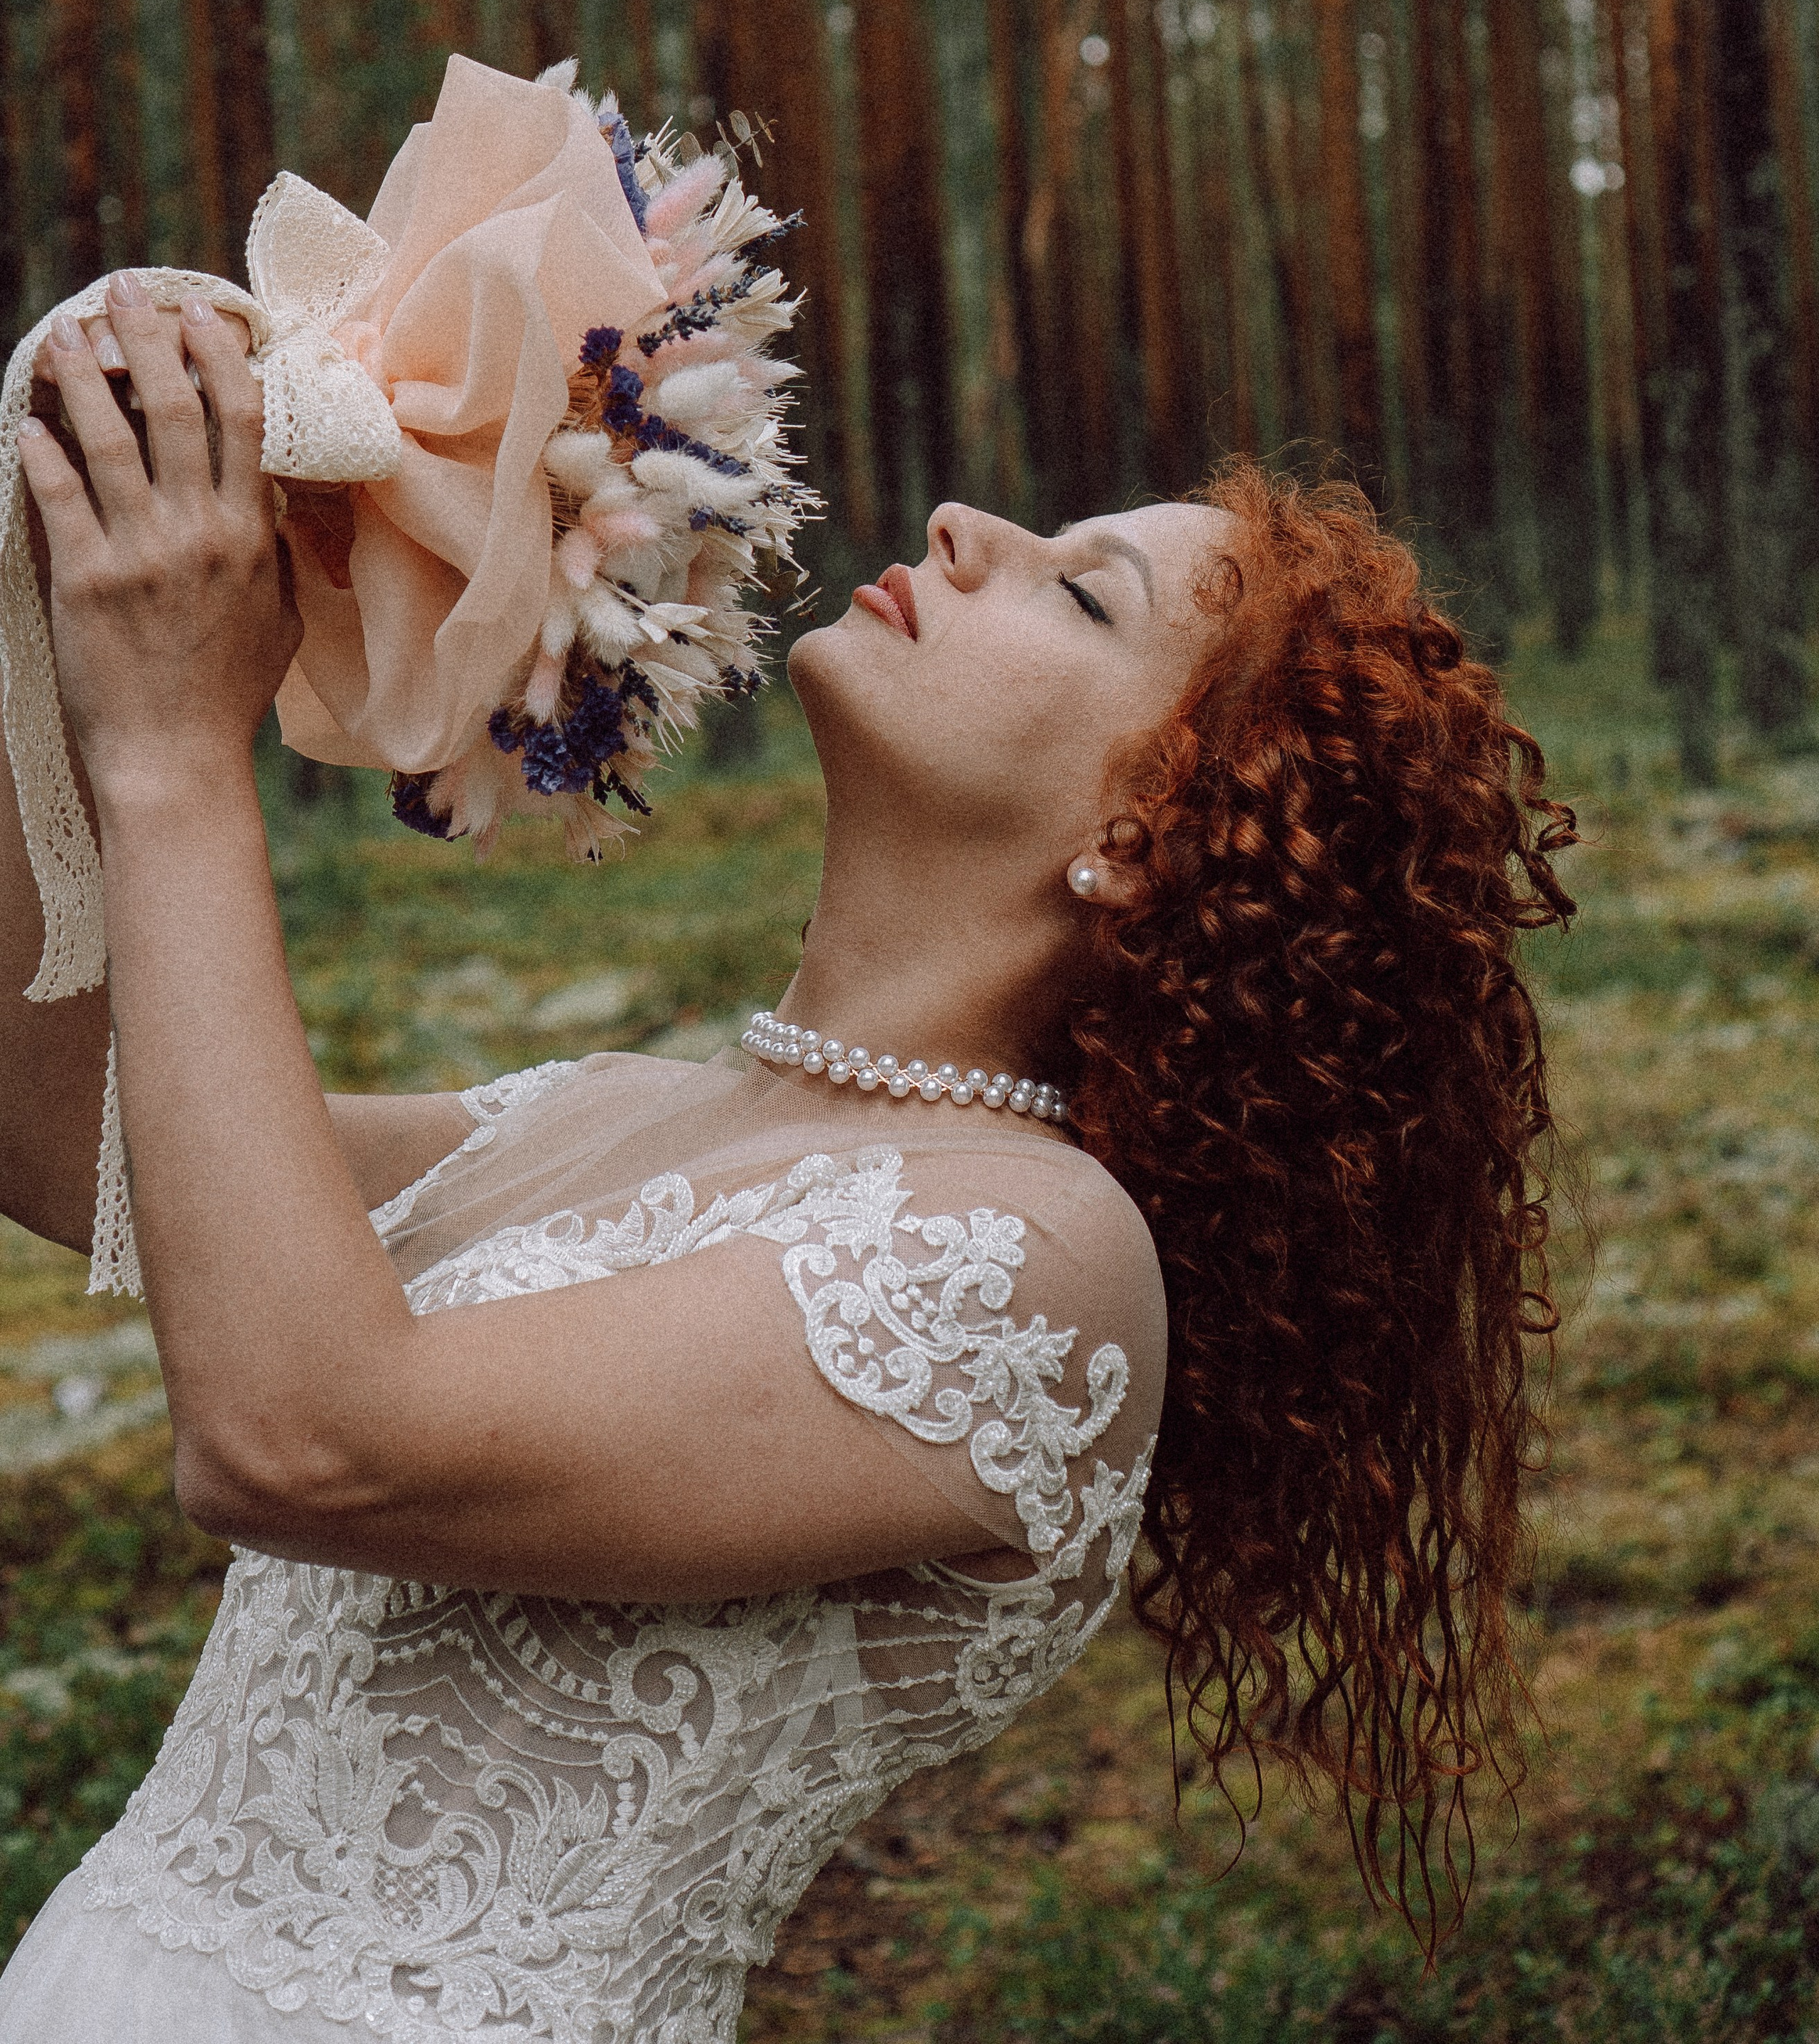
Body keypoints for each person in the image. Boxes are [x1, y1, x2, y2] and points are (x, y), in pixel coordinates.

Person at [0, 276, 1575, 2040]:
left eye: (1076, 589)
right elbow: (56, 1116)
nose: (965, 526)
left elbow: (301, 1439)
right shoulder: (608, 1110)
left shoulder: (1032, 1264)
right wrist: (52, 578)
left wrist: (170, 752)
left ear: (1140, 837)